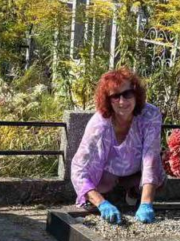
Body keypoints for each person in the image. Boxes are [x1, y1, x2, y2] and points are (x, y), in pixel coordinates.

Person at [71, 68, 165, 224]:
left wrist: (146, 203)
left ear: (136, 93)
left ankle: (134, 193)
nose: (122, 102)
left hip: (136, 171)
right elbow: (78, 168)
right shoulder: (99, 124)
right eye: (115, 96)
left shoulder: (150, 115)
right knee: (102, 185)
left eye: (127, 94)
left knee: (159, 177)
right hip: (107, 174)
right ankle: (105, 197)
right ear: (108, 100)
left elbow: (151, 157)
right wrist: (101, 203)